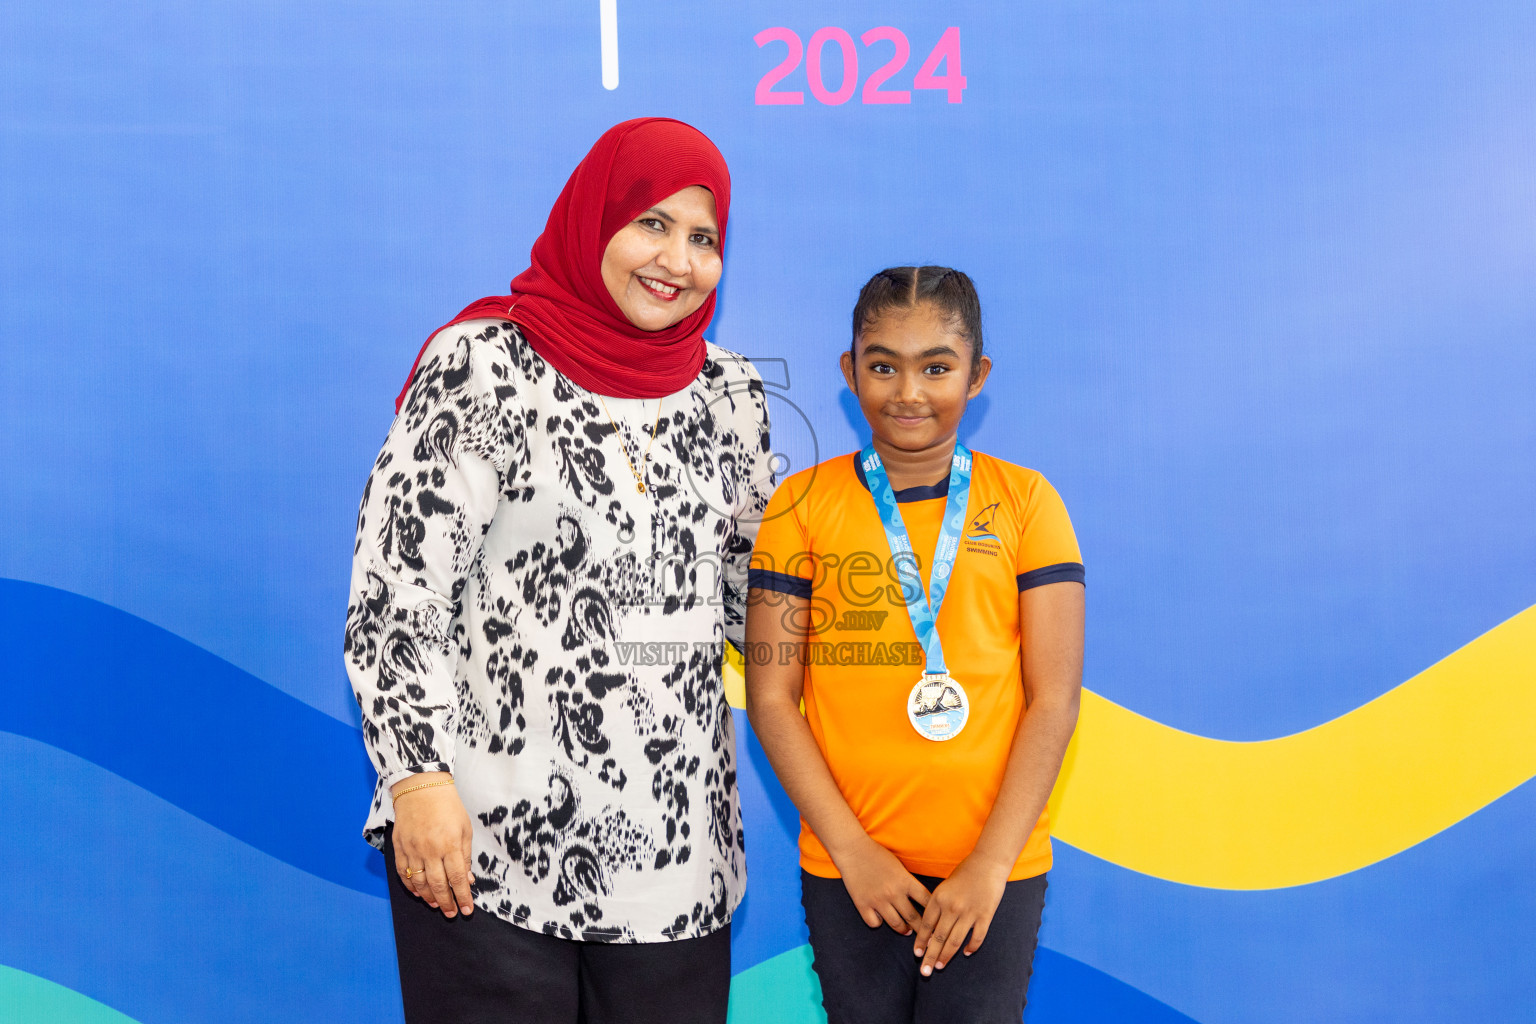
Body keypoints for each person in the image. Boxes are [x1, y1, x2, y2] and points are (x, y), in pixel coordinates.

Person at [344, 117, 774, 1024]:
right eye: (651, 223)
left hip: (675, 859)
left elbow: (752, 600)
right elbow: (397, 588)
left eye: (704, 238)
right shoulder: (485, 365)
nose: (677, 259)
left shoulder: (731, 393)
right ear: (594, 222)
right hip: (485, 852)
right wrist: (418, 780)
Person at [745, 266, 1085, 1024]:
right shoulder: (799, 506)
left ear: (977, 376)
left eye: (937, 367)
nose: (909, 392)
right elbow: (771, 700)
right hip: (849, 870)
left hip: (993, 870)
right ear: (849, 371)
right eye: (883, 365)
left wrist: (991, 866)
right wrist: (852, 854)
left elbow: (1054, 697)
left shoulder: (1028, 503)